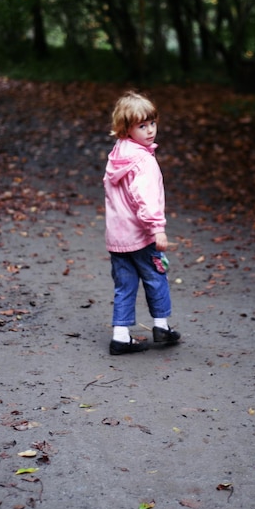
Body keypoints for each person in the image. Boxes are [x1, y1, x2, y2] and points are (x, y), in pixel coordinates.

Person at [103, 91, 181, 355]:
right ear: (126, 128)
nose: (150, 131)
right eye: (141, 125)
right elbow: (143, 198)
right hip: (141, 236)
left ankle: (121, 336)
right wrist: (157, 228)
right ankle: (161, 326)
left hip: (117, 237)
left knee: (124, 286)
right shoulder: (144, 161)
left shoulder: (117, 155)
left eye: (152, 123)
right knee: (155, 278)